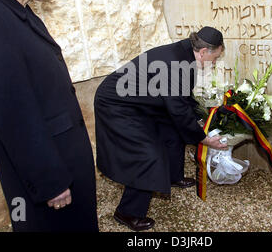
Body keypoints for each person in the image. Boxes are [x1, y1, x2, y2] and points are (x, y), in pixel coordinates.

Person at [0, 0, 98, 232]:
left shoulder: (19, 12)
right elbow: (12, 112)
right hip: (49, 179)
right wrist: (50, 181)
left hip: (63, 161)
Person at [94, 26, 228, 231]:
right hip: (117, 104)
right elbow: (177, 108)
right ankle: (127, 212)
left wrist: (208, 117)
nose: (214, 62)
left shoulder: (186, 54)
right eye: (215, 58)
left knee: (172, 130)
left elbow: (183, 100)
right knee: (147, 155)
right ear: (203, 52)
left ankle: (173, 176)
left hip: (140, 101)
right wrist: (203, 138)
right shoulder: (176, 64)